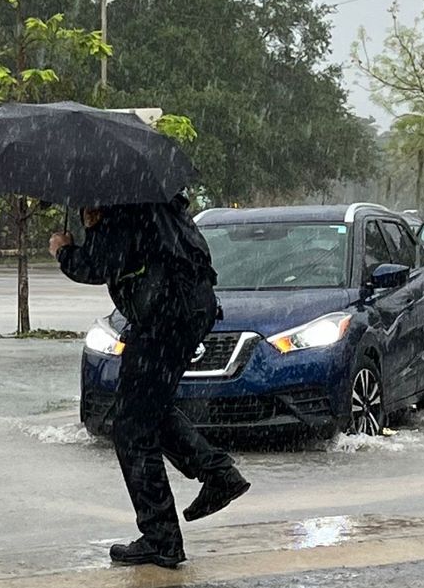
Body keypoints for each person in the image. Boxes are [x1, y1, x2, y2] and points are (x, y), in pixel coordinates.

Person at [48, 194, 250, 569]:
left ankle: (162, 538)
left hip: (164, 318)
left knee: (131, 428)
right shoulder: (153, 200)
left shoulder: (121, 206)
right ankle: (218, 474)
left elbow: (100, 265)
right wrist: (95, 226)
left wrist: (65, 251)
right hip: (187, 309)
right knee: (148, 411)